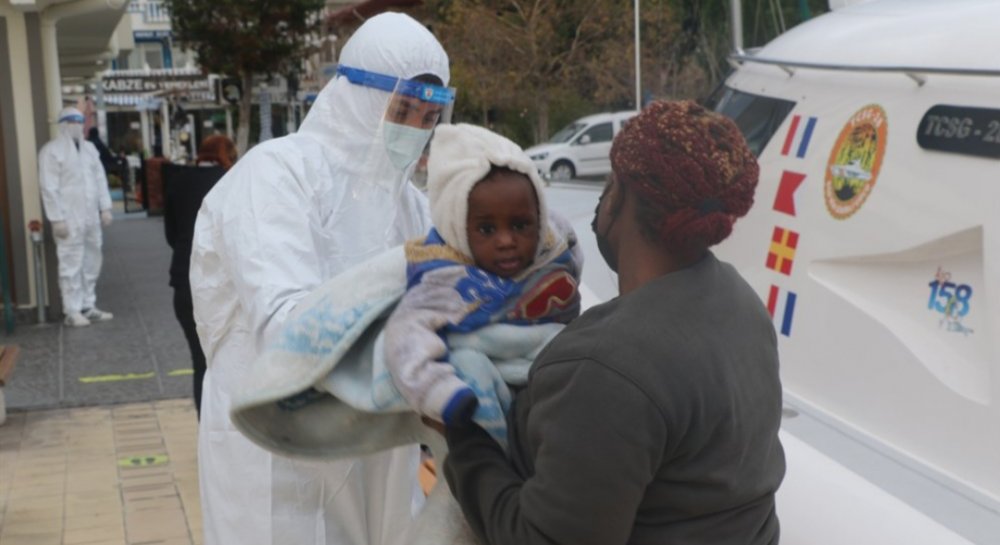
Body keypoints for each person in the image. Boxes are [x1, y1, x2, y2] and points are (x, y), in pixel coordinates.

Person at [442, 100, 786, 545]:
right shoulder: (742, 303)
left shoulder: (608, 366)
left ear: (619, 193)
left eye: (608, 182)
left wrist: (463, 437)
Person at [188, 13, 452, 545]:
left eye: (428, 116)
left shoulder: (410, 203)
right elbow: (288, 329)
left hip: (377, 446)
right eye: (402, 109)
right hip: (279, 448)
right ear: (356, 96)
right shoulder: (276, 175)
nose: (414, 129)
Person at [384, 123, 581, 429]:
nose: (506, 241)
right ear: (458, 229)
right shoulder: (446, 278)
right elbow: (405, 336)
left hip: (556, 373)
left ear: (539, 218)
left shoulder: (553, 243)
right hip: (491, 381)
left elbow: (573, 265)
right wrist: (439, 393)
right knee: (468, 363)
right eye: (487, 229)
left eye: (520, 225)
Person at [163, 135, 237, 419]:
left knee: (200, 362)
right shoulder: (230, 181)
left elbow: (171, 234)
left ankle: (204, 426)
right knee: (229, 360)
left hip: (185, 281)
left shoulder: (178, 180)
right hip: (225, 284)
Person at [38, 106, 115, 327]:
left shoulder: (90, 149)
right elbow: (49, 187)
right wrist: (56, 218)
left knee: (92, 259)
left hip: (90, 216)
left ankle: (88, 305)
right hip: (68, 217)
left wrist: (105, 207)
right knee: (70, 262)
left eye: (80, 122)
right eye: (72, 122)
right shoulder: (51, 151)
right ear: (62, 125)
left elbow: (99, 179)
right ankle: (72, 310)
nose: (77, 126)